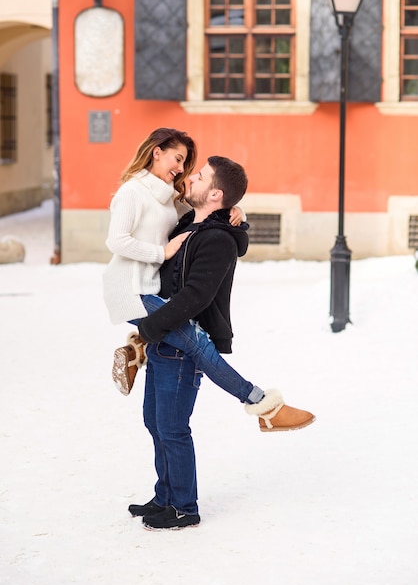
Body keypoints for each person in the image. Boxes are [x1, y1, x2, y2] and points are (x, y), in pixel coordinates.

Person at [124, 156, 316, 530]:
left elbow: (195, 296)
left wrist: (148, 328)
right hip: (165, 337)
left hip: (179, 345)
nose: (190, 177)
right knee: (155, 422)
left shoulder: (216, 240)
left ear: (214, 193)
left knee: (173, 427)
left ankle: (183, 506)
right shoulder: (187, 223)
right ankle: (165, 496)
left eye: (199, 176)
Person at [103, 128, 315, 435]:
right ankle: (263, 405)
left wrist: (235, 213)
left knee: (164, 418)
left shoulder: (171, 199)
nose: (183, 169)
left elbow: (209, 215)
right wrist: (161, 252)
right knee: (199, 344)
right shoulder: (132, 192)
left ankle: (138, 348)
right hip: (130, 289)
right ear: (156, 152)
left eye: (187, 164)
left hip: (150, 289)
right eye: (177, 158)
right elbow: (116, 241)